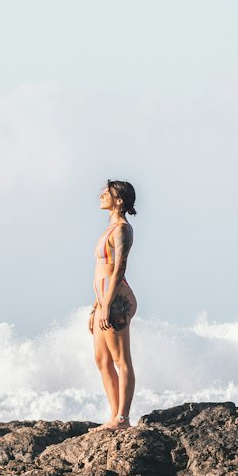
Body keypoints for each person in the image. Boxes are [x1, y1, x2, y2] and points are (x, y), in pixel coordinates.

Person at [88, 179, 137, 429]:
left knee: (120, 359)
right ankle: (113, 415)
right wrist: (96, 307)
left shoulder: (122, 229)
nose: (102, 194)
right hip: (103, 299)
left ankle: (123, 418)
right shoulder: (110, 227)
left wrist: (107, 304)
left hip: (116, 298)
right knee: (102, 360)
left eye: (108, 192)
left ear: (119, 200)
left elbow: (119, 269)